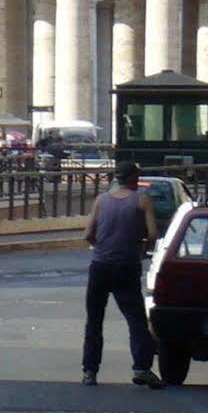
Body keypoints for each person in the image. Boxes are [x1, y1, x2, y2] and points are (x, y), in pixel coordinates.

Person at [80, 162, 162, 388]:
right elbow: (153, 233)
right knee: (136, 320)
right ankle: (142, 368)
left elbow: (88, 233)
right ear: (135, 178)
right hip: (127, 266)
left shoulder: (101, 200)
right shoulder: (143, 200)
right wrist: (142, 250)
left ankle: (90, 371)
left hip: (100, 266)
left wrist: (101, 247)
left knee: (94, 321)